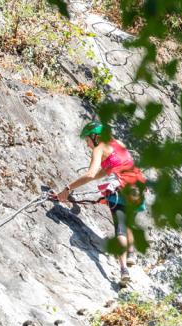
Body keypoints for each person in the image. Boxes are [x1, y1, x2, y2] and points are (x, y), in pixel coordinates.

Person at [55, 121, 146, 287]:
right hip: (136, 186)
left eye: (88, 140)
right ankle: (132, 254)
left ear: (95, 136)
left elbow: (90, 174)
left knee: (120, 228)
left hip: (119, 187)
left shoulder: (98, 149)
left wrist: (67, 189)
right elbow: (105, 170)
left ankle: (124, 269)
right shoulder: (118, 144)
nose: (87, 144)